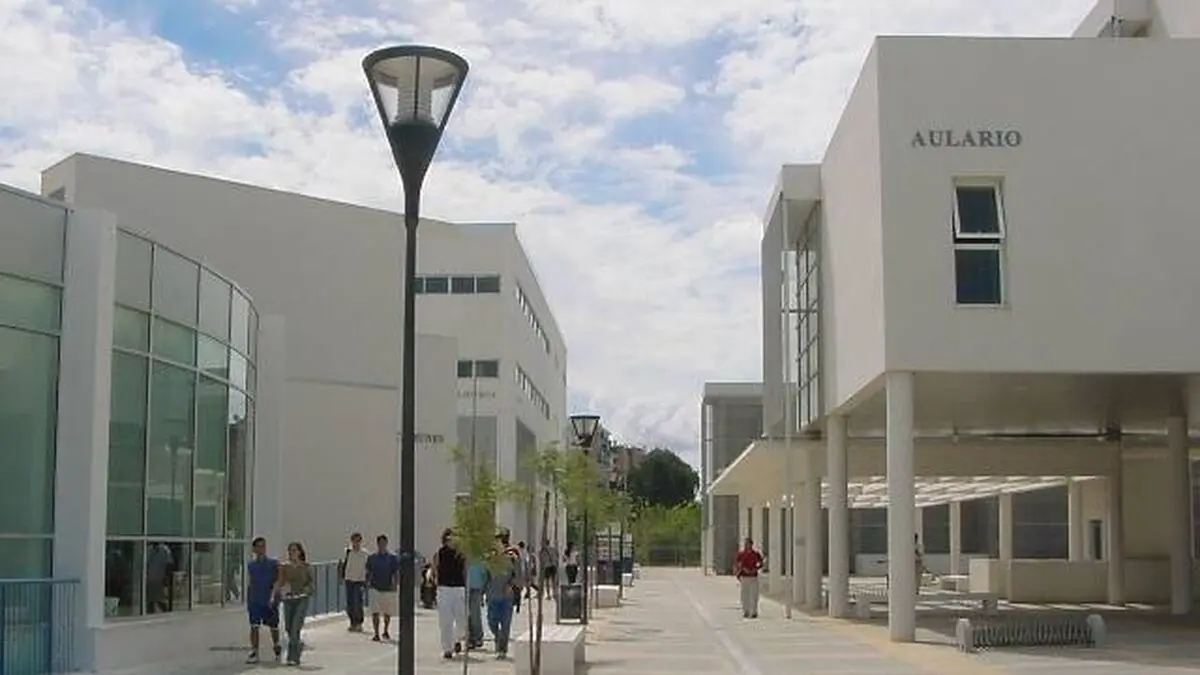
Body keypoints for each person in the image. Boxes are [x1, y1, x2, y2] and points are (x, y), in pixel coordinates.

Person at [273, 541, 315, 666]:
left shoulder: (306, 566)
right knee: (288, 628)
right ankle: (298, 645)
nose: (292, 553)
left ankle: (293, 657)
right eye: (290, 550)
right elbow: (280, 581)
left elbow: (311, 583)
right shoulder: (285, 566)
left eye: (294, 550)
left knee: (296, 627)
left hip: (302, 599)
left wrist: (307, 590)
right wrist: (278, 593)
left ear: (300, 552)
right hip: (288, 600)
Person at [432, 527, 467, 660]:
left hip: (459, 589)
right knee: (445, 621)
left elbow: (465, 570)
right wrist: (436, 583)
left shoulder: (462, 554)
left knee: (461, 619)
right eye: (448, 538)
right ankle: (447, 648)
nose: (451, 541)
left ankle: (457, 639)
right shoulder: (440, 553)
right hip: (444, 589)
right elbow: (435, 568)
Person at [245, 537, 281, 664]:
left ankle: (276, 646)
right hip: (255, 599)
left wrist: (274, 596)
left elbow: (278, 580)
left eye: (263, 546)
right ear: (254, 549)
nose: (261, 549)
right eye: (259, 547)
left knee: (273, 626)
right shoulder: (251, 565)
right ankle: (255, 651)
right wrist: (249, 601)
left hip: (269, 600)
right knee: (254, 626)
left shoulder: (273, 563)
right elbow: (250, 583)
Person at [485, 537, 519, 660]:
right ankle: (498, 638)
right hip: (492, 595)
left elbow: (519, 575)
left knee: (505, 624)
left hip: (506, 597)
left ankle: (502, 649)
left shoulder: (512, 559)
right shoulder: (489, 560)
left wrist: (511, 584)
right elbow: (485, 576)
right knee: (491, 621)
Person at [366, 534, 400, 642]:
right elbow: (368, 571)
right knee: (375, 611)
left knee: (387, 612)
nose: (382, 545)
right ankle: (376, 633)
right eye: (380, 543)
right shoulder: (372, 558)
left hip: (388, 588)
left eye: (384, 543)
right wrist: (367, 584)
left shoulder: (392, 558)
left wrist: (395, 585)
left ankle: (385, 630)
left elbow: (396, 573)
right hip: (375, 587)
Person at [339, 532, 369, 632]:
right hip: (349, 579)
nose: (356, 543)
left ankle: (359, 622)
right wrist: (341, 577)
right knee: (350, 602)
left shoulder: (364, 553)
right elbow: (343, 565)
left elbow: (368, 568)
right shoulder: (348, 552)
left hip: (360, 580)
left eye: (358, 541)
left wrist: (366, 580)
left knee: (358, 602)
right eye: (354, 541)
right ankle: (352, 622)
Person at [734, 537, 763, 619]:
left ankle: (754, 611)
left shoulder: (756, 554)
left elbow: (760, 563)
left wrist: (755, 568)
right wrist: (741, 571)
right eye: (746, 544)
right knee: (745, 594)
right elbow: (737, 564)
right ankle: (746, 611)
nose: (747, 545)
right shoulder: (741, 554)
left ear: (751, 544)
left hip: (753, 576)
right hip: (744, 576)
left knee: (754, 595)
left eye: (749, 543)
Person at [466, 556, 488, 650]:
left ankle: (478, 637)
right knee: (467, 614)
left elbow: (485, 575)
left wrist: (483, 589)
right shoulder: (465, 559)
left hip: (476, 589)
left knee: (475, 614)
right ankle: (470, 638)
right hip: (465, 589)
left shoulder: (480, 559)